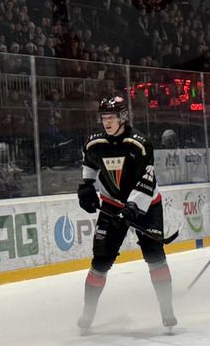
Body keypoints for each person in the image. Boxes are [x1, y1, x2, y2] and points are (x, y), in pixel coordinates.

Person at [75, 95, 176, 331]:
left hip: (146, 205)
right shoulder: (94, 143)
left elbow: (147, 180)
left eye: (111, 117)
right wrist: (86, 186)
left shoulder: (139, 144)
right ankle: (88, 313)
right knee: (101, 260)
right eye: (104, 118)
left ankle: (167, 310)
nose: (107, 122)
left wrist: (132, 207)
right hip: (111, 204)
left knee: (155, 256)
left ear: (122, 117)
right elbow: (89, 163)